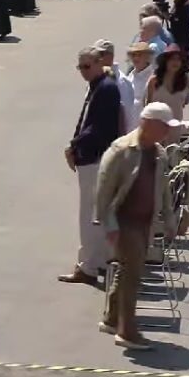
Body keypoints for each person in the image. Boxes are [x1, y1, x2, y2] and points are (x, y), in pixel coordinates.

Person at [95, 104, 180, 352]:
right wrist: (108, 226)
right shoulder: (121, 150)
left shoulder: (158, 154)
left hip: (145, 222)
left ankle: (112, 319)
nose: (166, 132)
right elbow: (103, 192)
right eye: (163, 127)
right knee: (132, 275)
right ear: (148, 123)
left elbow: (163, 190)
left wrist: (170, 219)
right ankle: (127, 331)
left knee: (126, 270)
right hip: (123, 221)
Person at [59, 48, 120, 287]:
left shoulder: (106, 88)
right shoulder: (99, 86)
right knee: (97, 214)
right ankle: (101, 259)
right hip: (94, 156)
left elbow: (97, 128)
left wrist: (73, 146)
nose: (83, 72)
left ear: (98, 63)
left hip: (95, 157)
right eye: (80, 68)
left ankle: (88, 267)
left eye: (87, 66)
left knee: (89, 216)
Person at [144, 46, 189, 145]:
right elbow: (147, 105)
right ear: (165, 61)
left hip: (174, 129)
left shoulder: (187, 81)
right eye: (172, 59)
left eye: (178, 59)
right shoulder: (154, 81)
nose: (175, 62)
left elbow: (185, 103)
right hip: (155, 129)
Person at [120, 42, 155, 130]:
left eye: (139, 55)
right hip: (128, 129)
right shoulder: (130, 76)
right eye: (133, 55)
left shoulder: (153, 78)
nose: (136, 58)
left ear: (147, 57)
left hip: (143, 130)